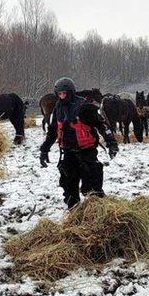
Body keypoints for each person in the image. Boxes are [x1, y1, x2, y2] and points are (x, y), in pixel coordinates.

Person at [39, 77, 119, 208]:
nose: (62, 97)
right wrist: (44, 150)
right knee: (68, 186)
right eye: (60, 94)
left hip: (87, 151)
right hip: (68, 152)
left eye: (65, 93)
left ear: (71, 93)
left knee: (92, 187)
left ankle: (96, 211)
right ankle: (74, 210)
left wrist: (111, 143)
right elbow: (53, 131)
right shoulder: (57, 109)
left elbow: (102, 125)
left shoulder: (84, 107)